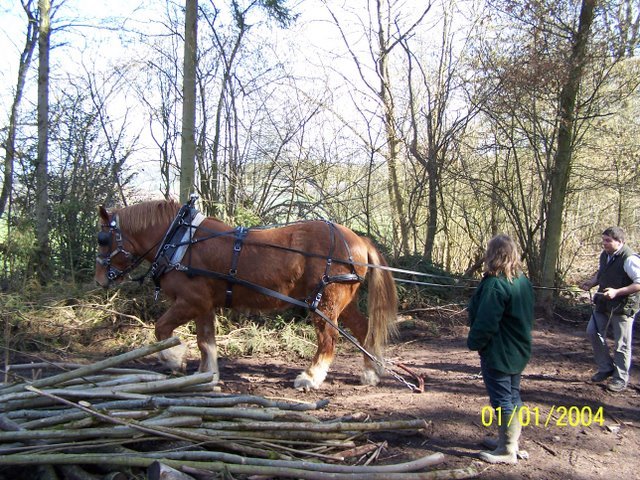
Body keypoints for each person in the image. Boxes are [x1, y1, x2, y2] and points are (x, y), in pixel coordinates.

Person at [467, 234, 535, 465]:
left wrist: (474, 342)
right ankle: (508, 441)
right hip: (517, 349)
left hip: (500, 351)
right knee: (512, 395)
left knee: (503, 400)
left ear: (493, 254)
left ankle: (507, 450)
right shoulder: (521, 279)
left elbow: (486, 321)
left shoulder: (497, 284)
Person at [579, 227, 640, 393]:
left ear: (619, 242)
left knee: (622, 344)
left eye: (608, 240)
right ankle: (605, 368)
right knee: (593, 332)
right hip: (603, 304)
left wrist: (617, 292)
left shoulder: (630, 259)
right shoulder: (605, 255)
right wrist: (591, 282)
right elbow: (602, 272)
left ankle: (620, 379)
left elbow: (638, 283)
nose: (604, 243)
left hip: (623, 307)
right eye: (603, 240)